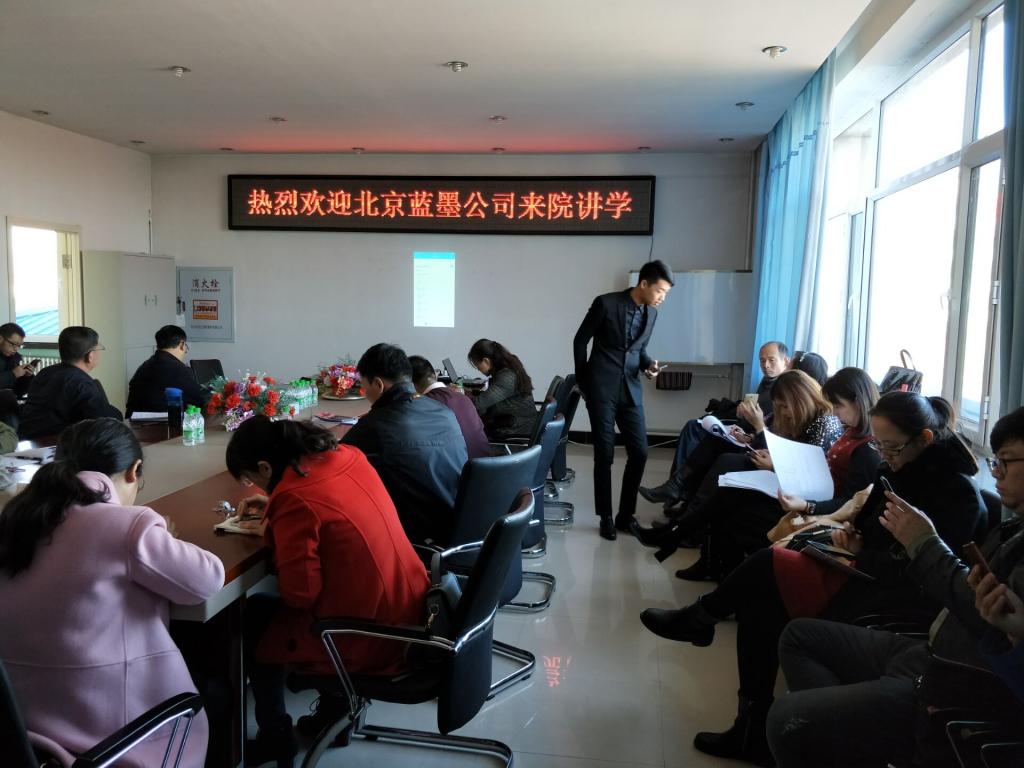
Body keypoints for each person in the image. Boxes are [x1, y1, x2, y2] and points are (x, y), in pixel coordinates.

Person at [639, 392, 983, 765]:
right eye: (880, 445)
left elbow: (927, 575)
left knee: (767, 566)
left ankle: (703, 620)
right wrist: (855, 538)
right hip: (863, 569)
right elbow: (867, 526)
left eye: (892, 447)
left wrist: (865, 549)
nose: (885, 455)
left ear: (925, 439)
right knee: (761, 597)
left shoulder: (957, 495)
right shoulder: (891, 471)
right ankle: (748, 724)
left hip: (893, 595)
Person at [765, 406, 1024, 767]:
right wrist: (861, 545)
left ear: (923, 439)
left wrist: (923, 544)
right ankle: (848, 733)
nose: (995, 472)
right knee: (797, 636)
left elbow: (977, 613)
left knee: (786, 719)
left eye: (1006, 461)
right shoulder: (1013, 528)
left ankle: (841, 727)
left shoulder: (959, 495)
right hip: (930, 648)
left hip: (954, 678)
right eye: (995, 462)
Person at [0, 418, 224, 768]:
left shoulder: (14, 519)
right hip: (111, 743)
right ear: (134, 471)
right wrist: (163, 536)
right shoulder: (127, 526)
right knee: (217, 690)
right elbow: (206, 580)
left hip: (27, 738)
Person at [225, 417, 429, 767]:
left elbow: (299, 595)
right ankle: (335, 712)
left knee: (258, 614)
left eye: (250, 479)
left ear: (265, 467)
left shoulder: (294, 499)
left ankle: (276, 737)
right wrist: (274, 507)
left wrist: (278, 522)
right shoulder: (349, 455)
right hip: (411, 607)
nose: (254, 486)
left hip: (374, 635)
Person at [631, 369, 846, 567]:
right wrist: (756, 440)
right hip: (783, 479)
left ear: (800, 399)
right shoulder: (803, 416)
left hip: (800, 494)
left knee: (729, 470)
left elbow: (807, 472)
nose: (783, 412)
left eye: (784, 407)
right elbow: (785, 449)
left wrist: (771, 459)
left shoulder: (824, 423)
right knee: (726, 474)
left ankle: (679, 529)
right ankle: (682, 531)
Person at [574, 260, 673, 540]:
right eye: (660, 291)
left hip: (630, 390)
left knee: (640, 452)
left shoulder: (652, 314)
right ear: (644, 284)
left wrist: (648, 366)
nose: (662, 298)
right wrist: (584, 382)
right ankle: (605, 516)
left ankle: (625, 516)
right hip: (601, 389)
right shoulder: (605, 304)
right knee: (604, 454)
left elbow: (638, 351)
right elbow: (580, 341)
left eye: (666, 293)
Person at [640, 340, 791, 508]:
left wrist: (752, 431)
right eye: (762, 360)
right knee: (694, 427)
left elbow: (774, 431)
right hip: (749, 432)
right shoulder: (766, 382)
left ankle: (680, 493)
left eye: (771, 360)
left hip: (760, 444)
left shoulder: (786, 389)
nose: (766, 365)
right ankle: (676, 489)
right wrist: (743, 417)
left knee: (708, 439)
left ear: (786, 361)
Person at [341, 343, 467, 545]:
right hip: (459, 519)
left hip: (418, 532)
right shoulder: (443, 411)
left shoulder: (375, 426)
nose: (364, 393)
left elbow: (338, 463)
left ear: (378, 384)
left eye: (364, 386)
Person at [19, 326, 122, 439]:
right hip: (55, 445)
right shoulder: (81, 382)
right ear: (90, 356)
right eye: (99, 348)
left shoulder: (45, 373)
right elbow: (106, 422)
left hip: (26, 442)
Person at [409, 355, 491, 459]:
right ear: (435, 374)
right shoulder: (462, 397)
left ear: (410, 383)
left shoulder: (424, 404)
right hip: (486, 463)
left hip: (461, 466)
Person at [125, 325, 209, 416]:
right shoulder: (178, 368)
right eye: (186, 347)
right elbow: (201, 399)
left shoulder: (145, 365)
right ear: (182, 344)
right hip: (160, 423)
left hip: (132, 421)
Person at [465, 339, 536, 440]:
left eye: (477, 365)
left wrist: (458, 395)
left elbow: (478, 404)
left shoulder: (507, 376)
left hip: (515, 429)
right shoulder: (508, 368)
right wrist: (470, 392)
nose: (477, 368)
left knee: (467, 429)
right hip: (514, 422)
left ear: (486, 361)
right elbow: (493, 395)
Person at [0, 322, 37, 397]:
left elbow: (18, 392)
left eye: (19, 346)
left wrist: (27, 377)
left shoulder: (13, 359)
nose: (16, 349)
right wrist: (13, 374)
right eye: (13, 344)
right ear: (0, 338)